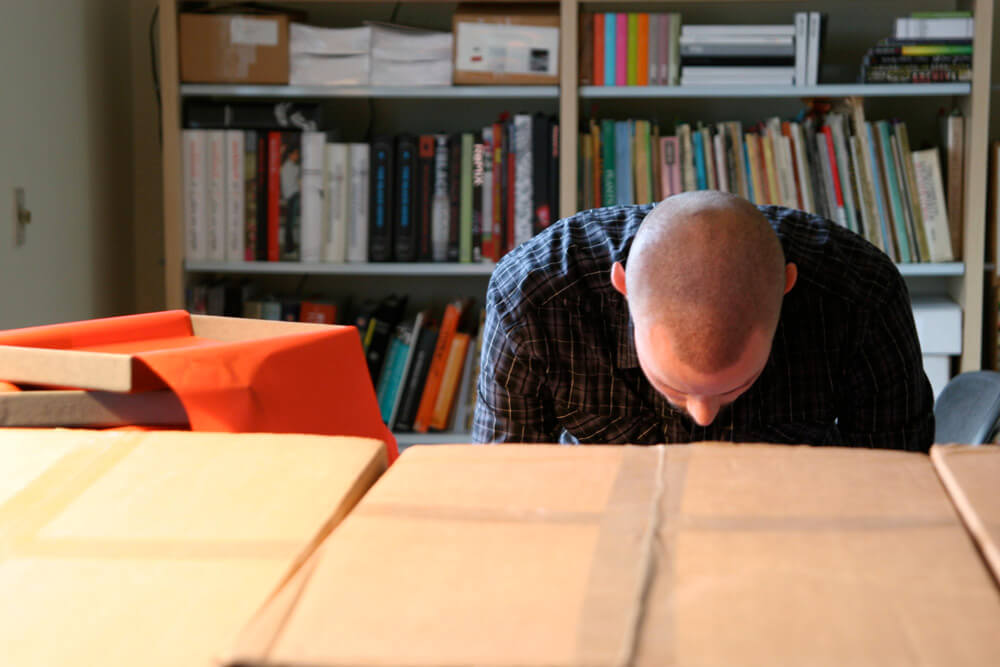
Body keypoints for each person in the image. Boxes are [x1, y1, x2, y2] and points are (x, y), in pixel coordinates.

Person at [472, 191, 934, 452]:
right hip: (605, 530)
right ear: (623, 287)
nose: (703, 417)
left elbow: (897, 479)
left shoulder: (861, 297)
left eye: (734, 387)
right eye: (672, 387)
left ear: (786, 288)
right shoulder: (535, 298)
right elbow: (506, 483)